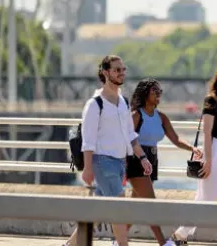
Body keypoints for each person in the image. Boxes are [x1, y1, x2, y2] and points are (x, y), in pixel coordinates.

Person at [63, 55, 153, 246]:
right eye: (116, 70)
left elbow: (130, 134)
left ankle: (71, 244)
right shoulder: (95, 104)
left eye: (123, 69)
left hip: (120, 163)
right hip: (102, 162)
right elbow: (88, 140)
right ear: (105, 73)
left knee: (97, 211)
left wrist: (143, 157)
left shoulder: (123, 102)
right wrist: (87, 169)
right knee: (118, 208)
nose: (121, 73)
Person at [169, 64, 217, 246]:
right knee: (205, 200)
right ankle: (179, 236)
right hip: (216, 148)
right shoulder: (211, 101)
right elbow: (207, 132)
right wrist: (209, 160)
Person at [124, 78, 202, 245]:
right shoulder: (136, 115)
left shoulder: (161, 117)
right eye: (155, 91)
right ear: (145, 94)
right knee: (151, 205)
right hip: (136, 161)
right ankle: (163, 242)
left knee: (136, 205)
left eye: (160, 91)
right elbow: (126, 139)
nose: (159, 94)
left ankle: (119, 239)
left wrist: (192, 149)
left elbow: (175, 139)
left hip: (151, 162)